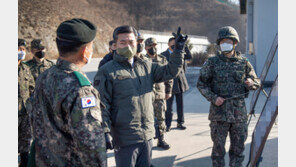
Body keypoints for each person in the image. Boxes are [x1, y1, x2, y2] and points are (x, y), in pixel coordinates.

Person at [93, 26, 187, 167]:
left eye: (131, 42)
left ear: (136, 43)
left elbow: (170, 71)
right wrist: (104, 131)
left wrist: (178, 51)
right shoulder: (106, 71)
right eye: (123, 42)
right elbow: (101, 105)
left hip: (147, 135)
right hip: (125, 138)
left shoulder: (147, 66)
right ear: (115, 45)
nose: (128, 46)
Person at [30, 18, 107, 166]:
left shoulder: (45, 76)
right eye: (91, 47)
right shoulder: (81, 89)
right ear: (85, 51)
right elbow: (91, 146)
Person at [196, 26, 261, 167]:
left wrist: (251, 82)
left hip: (239, 115)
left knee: (238, 150)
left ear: (235, 43)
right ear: (219, 44)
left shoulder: (243, 62)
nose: (225, 44)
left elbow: (257, 81)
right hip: (219, 115)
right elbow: (201, 84)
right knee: (218, 151)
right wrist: (213, 98)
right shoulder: (212, 62)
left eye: (228, 41)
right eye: (222, 41)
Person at [144, 37, 173, 150]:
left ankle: (161, 139)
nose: (153, 48)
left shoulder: (162, 59)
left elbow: (169, 76)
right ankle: (148, 142)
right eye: (150, 46)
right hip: (146, 94)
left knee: (161, 118)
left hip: (160, 93)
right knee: (147, 119)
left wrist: (168, 91)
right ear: (146, 48)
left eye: (155, 45)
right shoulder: (142, 60)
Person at [162, 37, 192, 131]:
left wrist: (184, 45)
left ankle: (180, 122)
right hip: (168, 83)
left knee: (180, 105)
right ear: (168, 44)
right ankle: (168, 124)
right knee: (168, 106)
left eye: (176, 43)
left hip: (180, 82)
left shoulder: (181, 53)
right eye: (173, 44)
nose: (175, 46)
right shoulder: (163, 55)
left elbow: (189, 57)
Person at [18, 38, 35, 167]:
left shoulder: (26, 68)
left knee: (25, 145)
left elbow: (32, 89)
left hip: (25, 113)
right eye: (19, 49)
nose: (21, 52)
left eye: (23, 50)